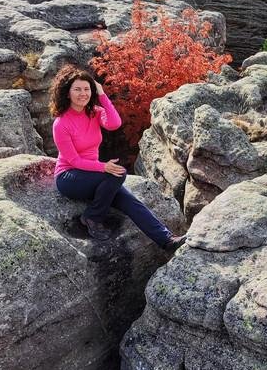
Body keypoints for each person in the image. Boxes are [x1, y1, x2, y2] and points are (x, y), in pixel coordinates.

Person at [50, 64, 185, 252]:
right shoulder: (61, 123)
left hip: (95, 178)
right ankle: (93, 217)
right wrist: (103, 167)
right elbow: (74, 161)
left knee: (130, 201)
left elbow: (114, 124)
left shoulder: (95, 112)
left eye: (87, 89)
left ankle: (166, 240)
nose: (83, 93)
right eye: (77, 89)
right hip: (70, 178)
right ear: (67, 93)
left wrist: (102, 94)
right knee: (116, 174)